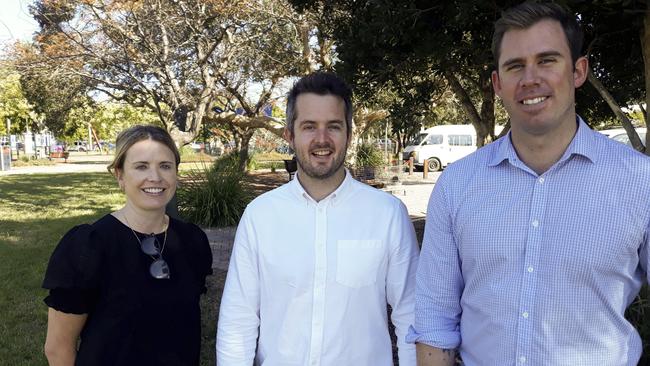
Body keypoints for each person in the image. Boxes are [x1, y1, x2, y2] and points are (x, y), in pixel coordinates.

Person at [408, 2, 650, 365]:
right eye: (515, 65)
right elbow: (434, 323)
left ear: (578, 71)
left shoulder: (639, 182)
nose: (530, 78)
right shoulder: (457, 185)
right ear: (497, 83)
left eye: (547, 60)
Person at [216, 72, 419, 365]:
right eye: (309, 126)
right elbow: (239, 319)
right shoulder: (260, 217)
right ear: (290, 135)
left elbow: (410, 313)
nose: (321, 139)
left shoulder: (387, 215)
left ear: (349, 134)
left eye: (333, 127)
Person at [42, 125, 213, 366]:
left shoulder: (192, 241)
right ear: (120, 175)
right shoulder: (89, 246)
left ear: (176, 173)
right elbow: (58, 349)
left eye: (165, 166)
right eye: (141, 166)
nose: (155, 177)